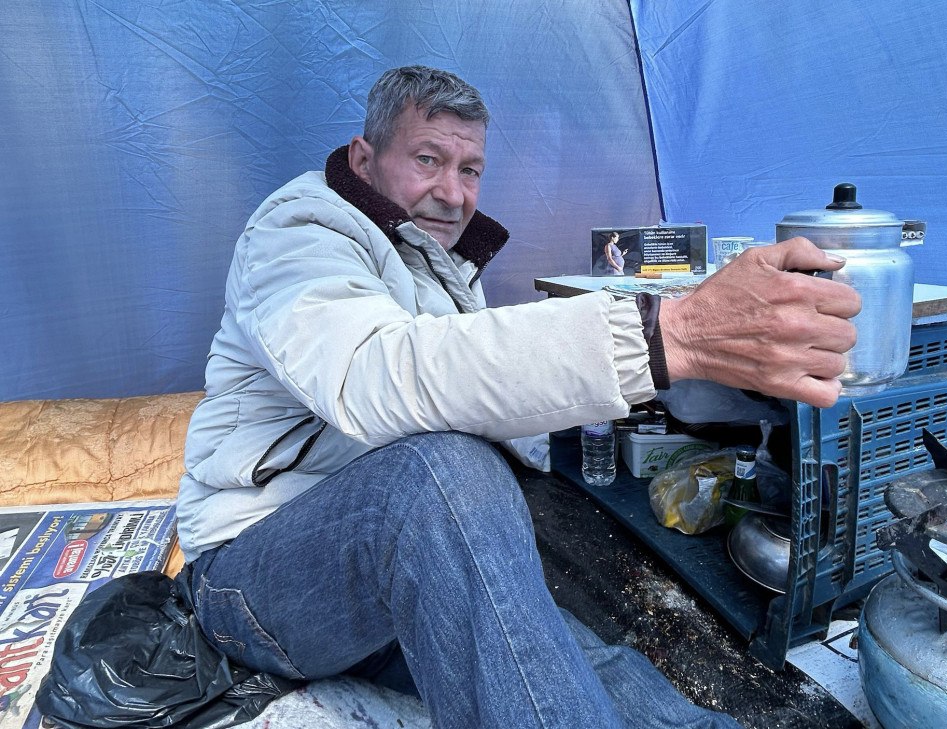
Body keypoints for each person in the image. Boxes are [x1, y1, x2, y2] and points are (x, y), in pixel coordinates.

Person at [176, 66, 859, 728]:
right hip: (256, 575)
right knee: (444, 475)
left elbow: (473, 387)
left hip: (387, 570)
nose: (453, 193)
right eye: (427, 159)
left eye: (470, 169)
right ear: (364, 159)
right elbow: (374, 375)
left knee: (567, 661)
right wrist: (662, 336)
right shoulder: (297, 234)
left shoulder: (434, 260)